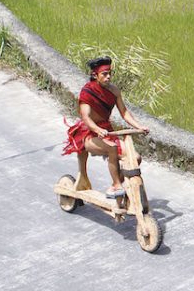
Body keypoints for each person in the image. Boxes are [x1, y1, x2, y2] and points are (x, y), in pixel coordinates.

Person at [63, 56, 149, 199]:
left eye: (109, 73)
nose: (108, 77)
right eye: (104, 74)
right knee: (112, 148)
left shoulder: (114, 91)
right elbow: (86, 117)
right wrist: (97, 130)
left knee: (135, 158)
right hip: (89, 134)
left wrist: (139, 126)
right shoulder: (87, 91)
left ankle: (115, 186)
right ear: (95, 75)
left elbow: (124, 112)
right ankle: (116, 185)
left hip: (107, 132)